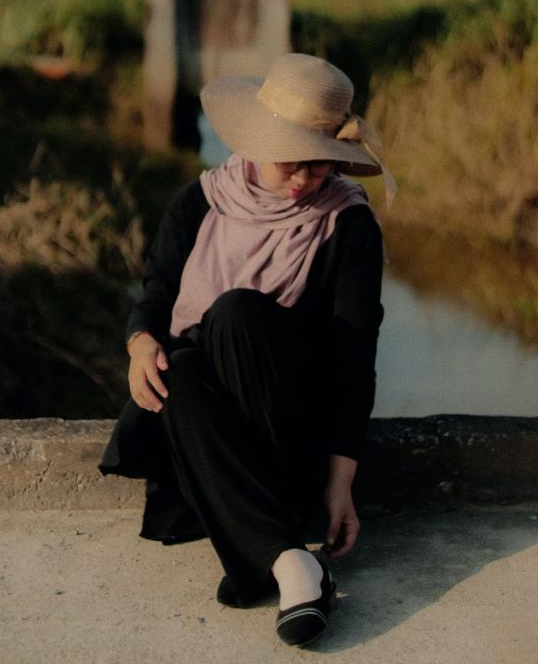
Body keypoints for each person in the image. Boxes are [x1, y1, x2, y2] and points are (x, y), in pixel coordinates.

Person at [100, 52, 391, 647]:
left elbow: (353, 363)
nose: (306, 180)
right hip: (207, 444)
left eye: (321, 164)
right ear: (258, 139)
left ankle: (267, 542)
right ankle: (292, 564)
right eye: (293, 160)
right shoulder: (199, 203)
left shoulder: (348, 224)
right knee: (175, 370)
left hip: (291, 441)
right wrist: (138, 343)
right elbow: (156, 297)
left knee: (236, 312)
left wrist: (340, 487)